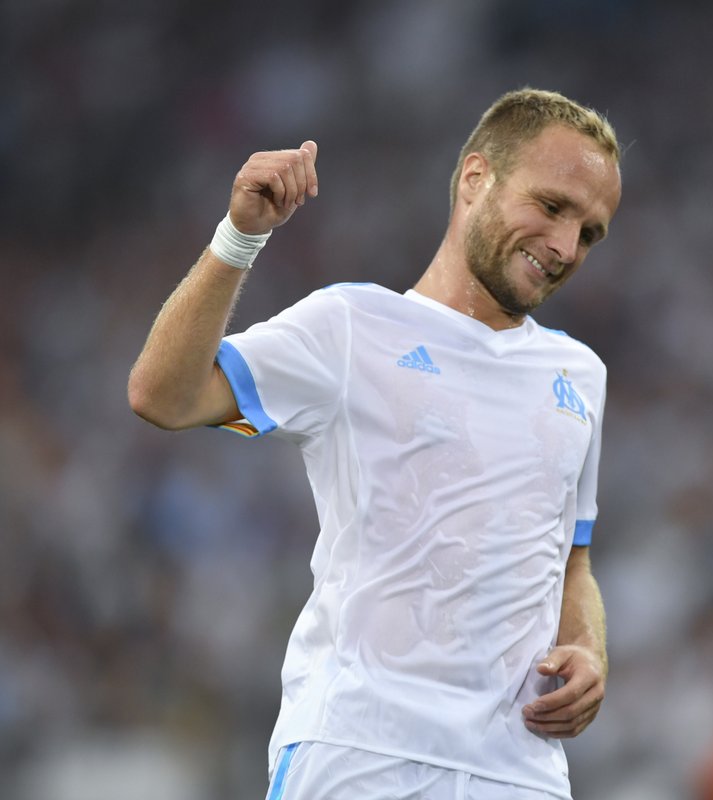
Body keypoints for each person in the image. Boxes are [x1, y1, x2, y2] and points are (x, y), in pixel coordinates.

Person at [128, 88, 623, 800]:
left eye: (590, 232)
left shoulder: (581, 377)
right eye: (551, 206)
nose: (566, 246)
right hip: (360, 752)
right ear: (476, 178)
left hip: (520, 770)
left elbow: (571, 559)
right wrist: (239, 238)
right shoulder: (352, 326)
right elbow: (162, 395)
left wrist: (586, 647)